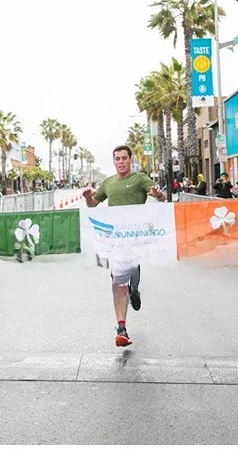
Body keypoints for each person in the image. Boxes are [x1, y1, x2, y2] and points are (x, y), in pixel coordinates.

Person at [82, 145, 164, 347]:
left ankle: (134, 288)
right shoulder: (108, 183)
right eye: (117, 158)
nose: (120, 161)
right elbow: (94, 205)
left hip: (137, 238)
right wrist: (87, 198)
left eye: (124, 158)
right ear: (114, 161)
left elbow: (160, 197)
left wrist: (157, 194)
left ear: (130, 160)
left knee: (131, 271)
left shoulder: (139, 179)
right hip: (116, 240)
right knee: (117, 280)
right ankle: (121, 329)